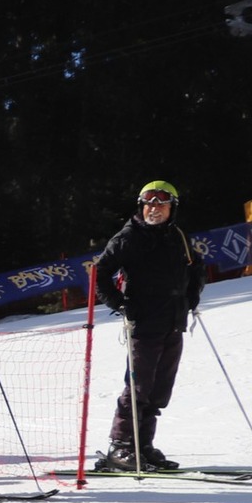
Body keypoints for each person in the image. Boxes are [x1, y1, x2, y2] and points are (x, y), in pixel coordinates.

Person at [94, 180, 203, 472]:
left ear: (172, 208)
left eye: (161, 204)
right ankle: (121, 447)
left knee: (158, 390)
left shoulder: (178, 235)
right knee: (138, 387)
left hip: (173, 321)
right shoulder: (128, 237)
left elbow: (195, 267)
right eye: (149, 204)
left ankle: (143, 446)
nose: (154, 209)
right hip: (143, 323)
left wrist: (191, 299)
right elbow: (101, 273)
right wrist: (119, 304)